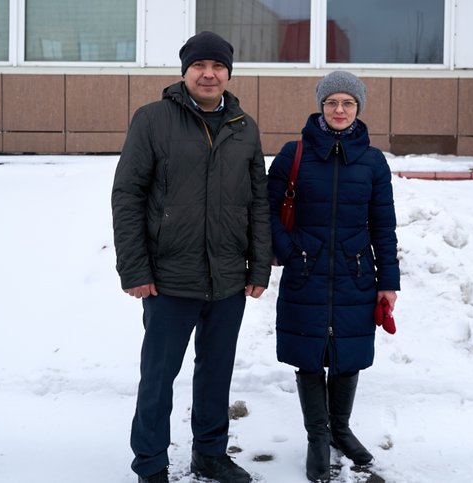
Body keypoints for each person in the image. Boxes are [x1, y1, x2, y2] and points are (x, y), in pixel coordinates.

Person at [111, 31, 271, 483]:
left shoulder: (244, 125)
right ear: (185, 72)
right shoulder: (153, 119)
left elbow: (257, 201)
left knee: (216, 374)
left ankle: (210, 453)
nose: (209, 73)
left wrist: (257, 267)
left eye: (218, 66)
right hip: (167, 277)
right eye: (200, 65)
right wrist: (135, 270)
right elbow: (127, 196)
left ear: (228, 74)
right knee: (159, 379)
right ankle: (150, 463)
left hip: (226, 279)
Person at [267, 71, 400, 482]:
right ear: (320, 106)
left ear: (358, 108)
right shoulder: (294, 154)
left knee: (347, 356)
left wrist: (388, 281)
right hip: (306, 272)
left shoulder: (373, 161)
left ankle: (340, 429)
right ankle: (317, 437)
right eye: (332, 103)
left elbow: (384, 225)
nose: (339, 110)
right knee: (309, 356)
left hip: (355, 274)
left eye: (347, 103)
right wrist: (291, 252)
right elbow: (266, 211)